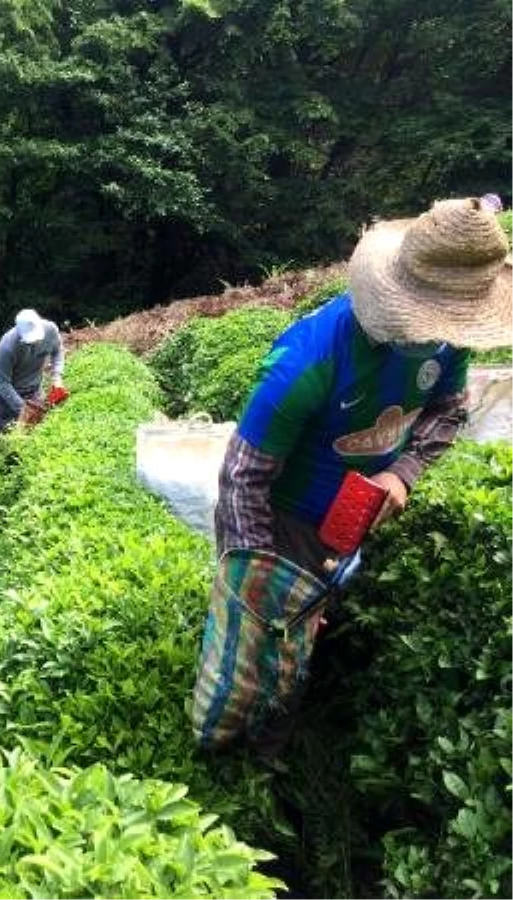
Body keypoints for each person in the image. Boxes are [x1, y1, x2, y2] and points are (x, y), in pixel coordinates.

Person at [198, 196, 512, 755]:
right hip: (288, 521)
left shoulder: (444, 344)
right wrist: (258, 575)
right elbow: (242, 480)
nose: (440, 336)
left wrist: (405, 472)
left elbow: (449, 408)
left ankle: (272, 749)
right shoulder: (306, 363)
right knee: (262, 661)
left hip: (358, 513)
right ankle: (237, 761)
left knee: (305, 647)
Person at [0, 309, 66, 432]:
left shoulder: (50, 330)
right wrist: (23, 408)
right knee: (2, 434)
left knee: (35, 430)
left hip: (33, 389)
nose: (34, 342)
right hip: (6, 395)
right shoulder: (7, 345)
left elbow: (58, 351)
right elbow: (1, 382)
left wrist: (57, 377)